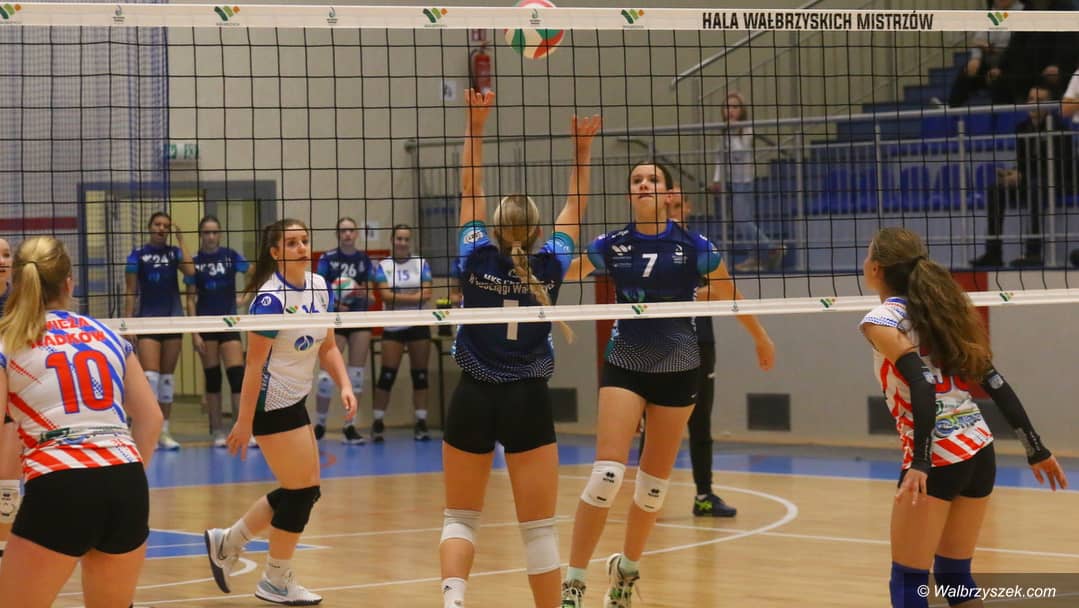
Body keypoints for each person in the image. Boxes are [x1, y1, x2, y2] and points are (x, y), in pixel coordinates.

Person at [560, 161, 776, 607]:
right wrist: (528, 285)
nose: (644, 184)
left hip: (679, 367)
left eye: (653, 180)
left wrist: (760, 336)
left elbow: (729, 293)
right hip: (626, 362)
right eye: (636, 180)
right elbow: (565, 272)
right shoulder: (612, 245)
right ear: (630, 195)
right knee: (606, 475)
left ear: (669, 194)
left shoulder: (696, 247)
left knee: (652, 490)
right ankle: (574, 583)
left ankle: (625, 574)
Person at [439, 88, 600, 608]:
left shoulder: (473, 256)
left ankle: (453, 601)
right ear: (536, 231)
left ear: (494, 228)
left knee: (460, 518)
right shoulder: (551, 264)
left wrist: (475, 124)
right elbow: (575, 208)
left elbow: (470, 187)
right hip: (527, 399)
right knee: (538, 529)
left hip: (472, 395)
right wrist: (581, 152)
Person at [859, 227, 1067, 608]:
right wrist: (1035, 447)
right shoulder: (941, 308)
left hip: (937, 457)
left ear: (876, 268)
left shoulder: (882, 320)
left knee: (907, 584)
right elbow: (995, 381)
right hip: (978, 448)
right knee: (955, 577)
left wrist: (921, 462)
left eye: (868, 254)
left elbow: (921, 382)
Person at [0, 236, 164, 608]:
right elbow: (151, 418)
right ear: (69, 283)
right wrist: (119, 477)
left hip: (61, 483)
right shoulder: (109, 335)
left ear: (18, 283)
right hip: (126, 480)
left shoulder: (8, 341)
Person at [204, 218, 356, 606]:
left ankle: (229, 542)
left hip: (295, 398)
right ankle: (274, 578)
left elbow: (328, 347)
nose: (302, 247)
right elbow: (253, 366)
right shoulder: (270, 301)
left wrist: (344, 384)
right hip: (269, 403)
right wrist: (244, 422)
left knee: (301, 490)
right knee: (302, 493)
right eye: (292, 243)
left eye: (305, 240)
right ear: (275, 253)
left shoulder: (319, 286)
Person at [651, 188, 737, 518]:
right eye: (668, 204)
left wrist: (686, 294)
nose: (672, 209)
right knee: (655, 423)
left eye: (677, 204)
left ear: (687, 207)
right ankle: (648, 497)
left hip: (700, 340)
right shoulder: (652, 246)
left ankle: (704, 495)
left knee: (700, 423)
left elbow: (721, 290)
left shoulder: (698, 247)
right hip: (659, 343)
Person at [970, 85, 1074, 268]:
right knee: (996, 188)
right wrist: (1012, 173)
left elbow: (1058, 166)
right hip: (1031, 180)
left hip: (1056, 181)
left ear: (1049, 105)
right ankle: (993, 252)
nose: (1033, 104)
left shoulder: (1059, 128)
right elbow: (1023, 162)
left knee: (1035, 185)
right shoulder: (1022, 128)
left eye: (1039, 100)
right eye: (1030, 99)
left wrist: (1022, 176)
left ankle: (1033, 252)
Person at [125, 211, 194, 450]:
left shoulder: (174, 253)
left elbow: (191, 272)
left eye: (165, 225)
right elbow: (131, 290)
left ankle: (164, 431)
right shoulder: (137, 255)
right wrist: (128, 322)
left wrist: (181, 239)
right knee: (150, 378)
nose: (161, 229)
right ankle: (147, 430)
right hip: (147, 321)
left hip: (173, 320)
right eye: (157, 224)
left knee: (166, 379)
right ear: (149, 227)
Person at [185, 215, 250, 448]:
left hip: (229, 323)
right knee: (213, 379)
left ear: (220, 234)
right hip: (206, 325)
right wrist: (194, 332)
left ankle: (240, 430)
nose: (211, 236)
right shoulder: (194, 262)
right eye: (206, 232)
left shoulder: (231, 256)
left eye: (215, 232)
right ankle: (217, 430)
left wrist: (245, 297)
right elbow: (190, 299)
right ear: (201, 235)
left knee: (237, 377)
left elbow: (253, 273)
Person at [314, 216, 375, 444]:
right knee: (326, 377)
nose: (347, 234)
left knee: (356, 375)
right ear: (337, 234)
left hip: (358, 318)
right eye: (343, 231)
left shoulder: (363, 259)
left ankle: (350, 427)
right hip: (336, 319)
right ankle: (319, 425)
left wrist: (360, 291)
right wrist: (335, 303)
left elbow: (371, 297)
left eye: (351, 230)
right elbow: (318, 291)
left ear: (356, 233)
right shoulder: (327, 259)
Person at [371, 224, 434, 442]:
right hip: (393, 325)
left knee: (420, 375)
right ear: (392, 240)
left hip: (419, 324)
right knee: (387, 375)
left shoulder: (421, 263)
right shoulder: (384, 266)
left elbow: (427, 293)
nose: (403, 243)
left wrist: (398, 297)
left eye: (406, 239)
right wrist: (414, 297)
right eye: (399, 238)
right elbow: (385, 297)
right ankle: (378, 422)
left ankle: (421, 422)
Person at [710, 91, 782, 273]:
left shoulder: (746, 129)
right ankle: (755, 257)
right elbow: (720, 157)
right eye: (727, 107)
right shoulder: (724, 131)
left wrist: (732, 132)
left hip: (744, 181)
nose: (730, 110)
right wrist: (717, 179)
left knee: (743, 219)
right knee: (741, 220)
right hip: (731, 181)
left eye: (735, 107)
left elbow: (740, 152)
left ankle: (771, 248)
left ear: (742, 110)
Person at [947, 0, 1024, 107]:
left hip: (1011, 65)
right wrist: (976, 58)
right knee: (967, 71)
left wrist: (1001, 67)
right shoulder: (994, 13)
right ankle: (952, 108)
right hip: (989, 60)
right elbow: (978, 40)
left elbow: (1014, 47)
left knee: (998, 80)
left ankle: (1000, 114)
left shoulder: (1023, 12)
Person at [0, 237, 17, 558]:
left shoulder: (21, 302)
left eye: (6, 255)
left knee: (7, 481)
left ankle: (3, 548)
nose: (2, 260)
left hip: (13, 399)